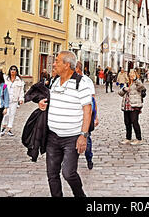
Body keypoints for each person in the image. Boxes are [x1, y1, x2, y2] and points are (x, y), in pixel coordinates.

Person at [38, 51, 92, 197]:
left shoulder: (81, 83)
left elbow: (88, 110)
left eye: (57, 61)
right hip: (52, 136)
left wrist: (83, 136)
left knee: (68, 173)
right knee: (52, 174)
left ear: (67, 65)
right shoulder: (55, 81)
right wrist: (43, 104)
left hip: (72, 138)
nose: (53, 64)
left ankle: (80, 195)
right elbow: (52, 101)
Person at [76, 61, 99, 170]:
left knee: (87, 137)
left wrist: (95, 116)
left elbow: (93, 99)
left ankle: (89, 158)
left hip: (85, 113)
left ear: (77, 69)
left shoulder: (87, 81)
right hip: (73, 114)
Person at [119, 70, 146, 145]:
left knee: (134, 122)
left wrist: (135, 80)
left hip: (135, 105)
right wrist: (124, 89)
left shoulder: (137, 83)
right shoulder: (127, 83)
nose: (131, 74)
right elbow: (120, 93)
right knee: (127, 122)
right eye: (130, 73)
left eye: (132, 73)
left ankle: (139, 138)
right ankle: (128, 138)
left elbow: (142, 88)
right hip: (126, 105)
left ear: (135, 74)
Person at [1, 65, 25, 137]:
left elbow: (21, 91)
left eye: (14, 70)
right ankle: (3, 127)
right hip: (6, 100)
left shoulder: (19, 81)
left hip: (14, 100)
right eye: (11, 69)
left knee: (12, 114)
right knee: (6, 114)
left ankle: (9, 128)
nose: (12, 71)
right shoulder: (6, 79)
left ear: (16, 71)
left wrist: (21, 99)